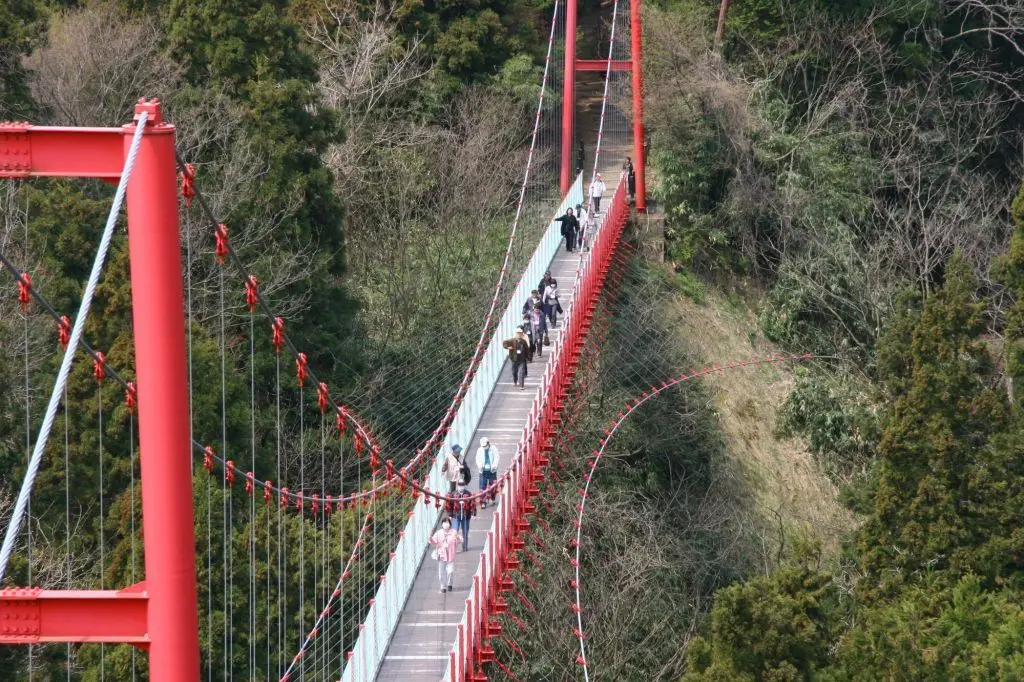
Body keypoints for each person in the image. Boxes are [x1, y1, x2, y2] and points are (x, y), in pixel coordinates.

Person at [430, 517, 462, 593]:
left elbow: (461, 539)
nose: (446, 524)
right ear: (442, 524)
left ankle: (449, 584)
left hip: (451, 555)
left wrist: (457, 537)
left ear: (450, 524)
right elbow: (433, 541)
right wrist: (430, 538)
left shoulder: (454, 532)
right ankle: (443, 586)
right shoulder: (438, 533)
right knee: (441, 573)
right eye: (444, 522)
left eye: (447, 523)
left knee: (450, 571)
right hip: (441, 555)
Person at [448, 483, 475, 552]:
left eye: (462, 484)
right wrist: (450, 515)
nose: (461, 486)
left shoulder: (468, 494)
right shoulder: (453, 494)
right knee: (454, 532)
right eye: (459, 484)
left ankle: (465, 547)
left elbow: (472, 505)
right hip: (456, 516)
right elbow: (450, 505)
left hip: (466, 516)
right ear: (457, 485)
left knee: (465, 532)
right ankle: (453, 548)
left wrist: (473, 514)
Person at [475, 437, 500, 507]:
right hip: (483, 471)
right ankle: (483, 502)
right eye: (483, 446)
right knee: (482, 486)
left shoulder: (493, 449)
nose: (484, 447)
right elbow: (477, 459)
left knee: (493, 485)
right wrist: (480, 466)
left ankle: (492, 498)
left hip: (492, 470)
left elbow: (496, 457)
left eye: (485, 446)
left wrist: (495, 466)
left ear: (488, 443)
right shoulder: (480, 450)